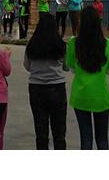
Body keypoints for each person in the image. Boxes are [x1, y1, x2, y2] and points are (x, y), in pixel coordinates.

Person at [66, 7, 109, 150]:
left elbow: (71, 67)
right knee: (102, 140)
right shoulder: (107, 43)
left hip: (81, 96)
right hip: (101, 96)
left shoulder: (73, 42)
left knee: (86, 139)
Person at [24, 13, 67, 150]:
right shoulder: (61, 44)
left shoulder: (32, 44)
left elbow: (27, 66)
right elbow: (66, 66)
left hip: (36, 88)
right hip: (57, 88)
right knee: (59, 131)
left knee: (41, 131)